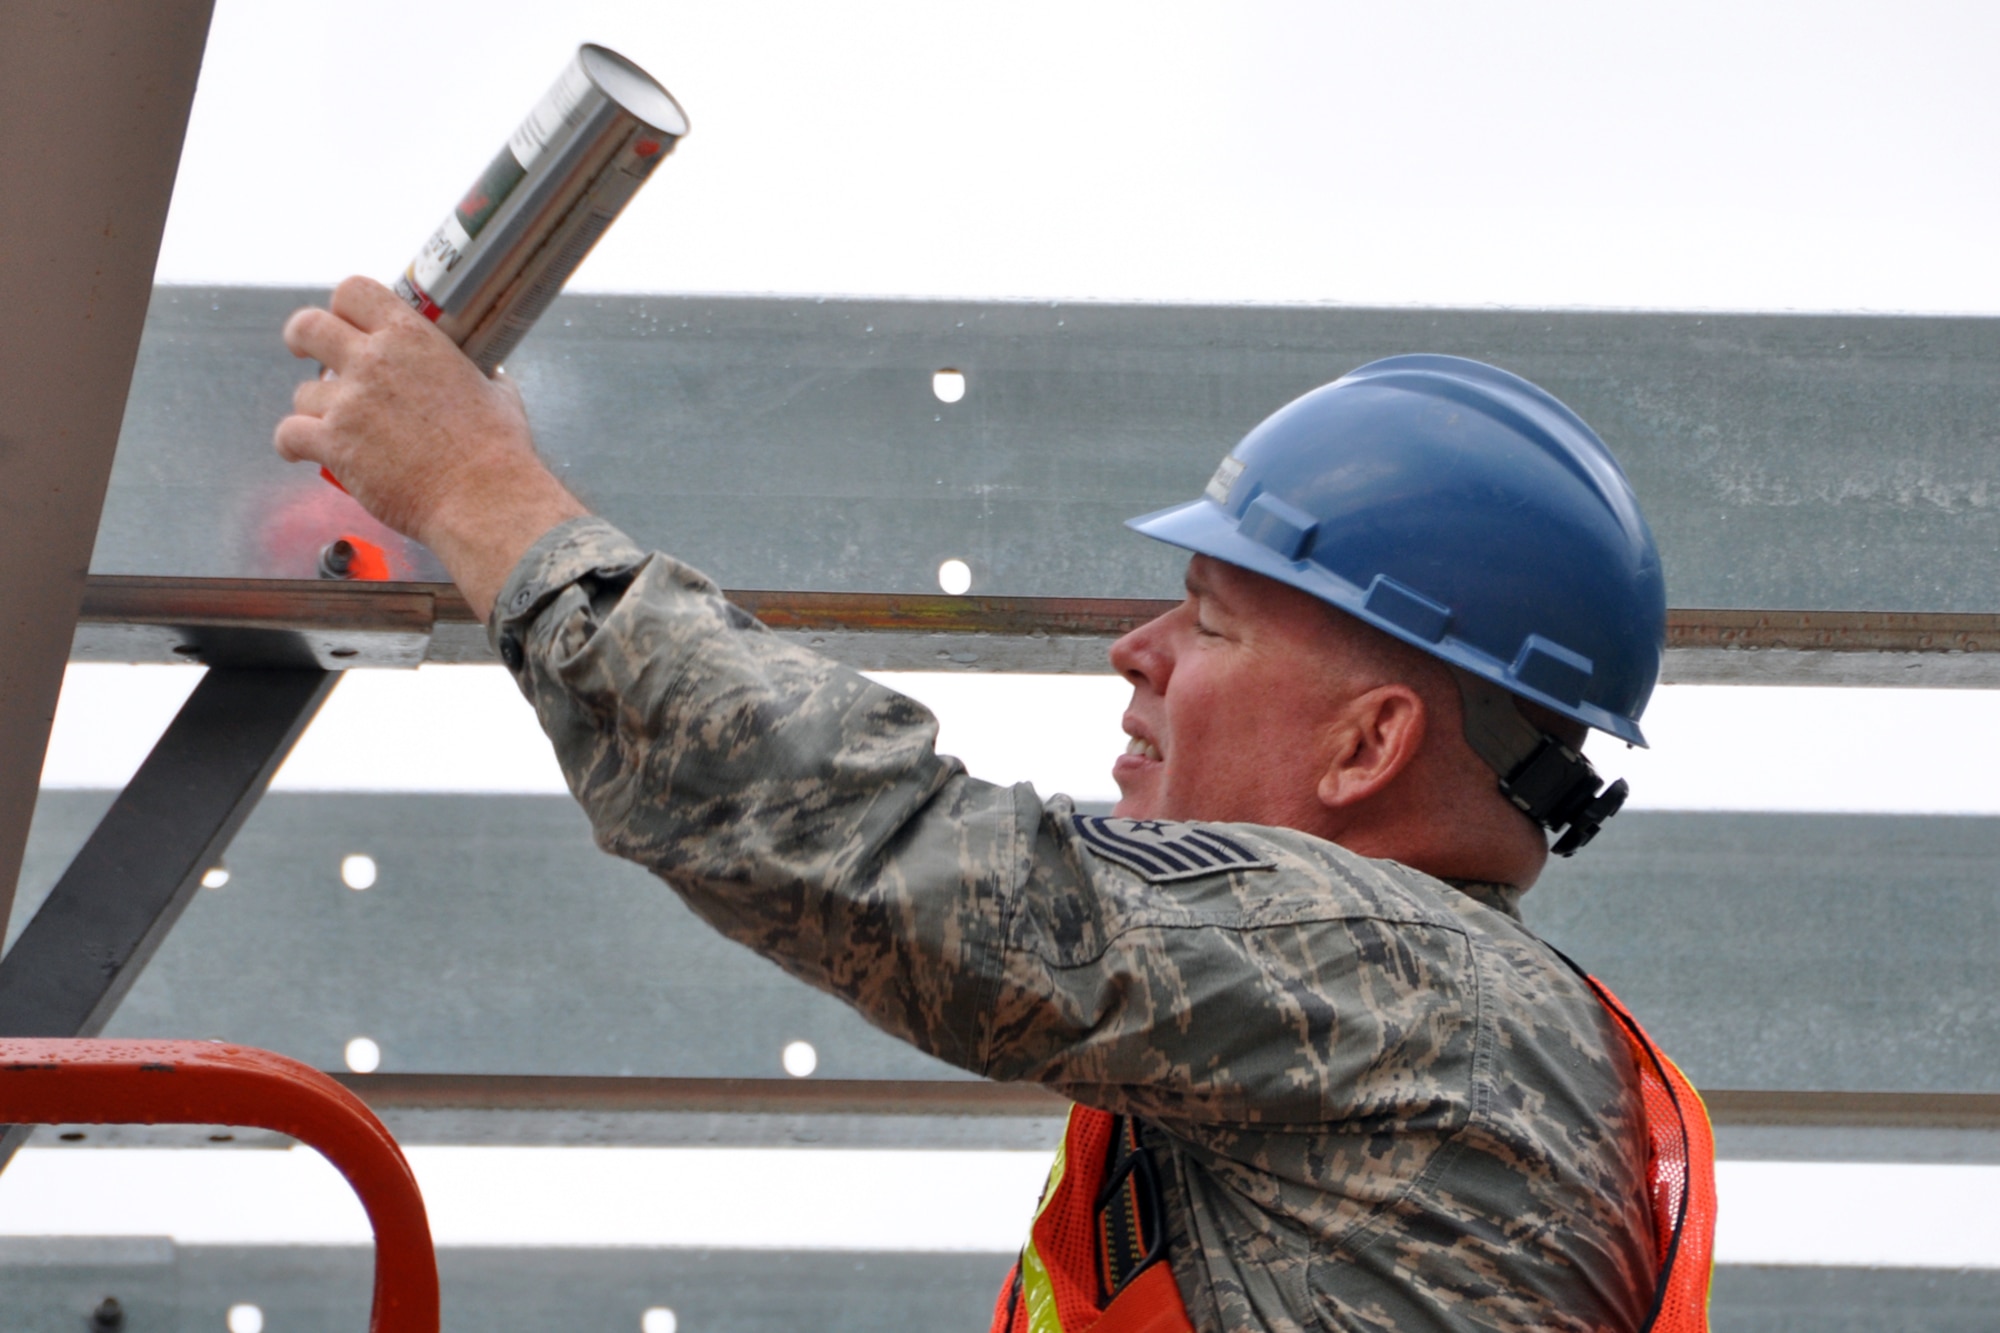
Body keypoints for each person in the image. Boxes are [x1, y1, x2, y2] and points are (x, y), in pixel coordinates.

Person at [276, 276, 1713, 1333]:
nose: (1136, 655)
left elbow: (866, 845)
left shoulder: (1401, 979)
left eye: (1209, 626)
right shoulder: (1398, 1027)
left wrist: (476, 486)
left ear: (1370, 744)